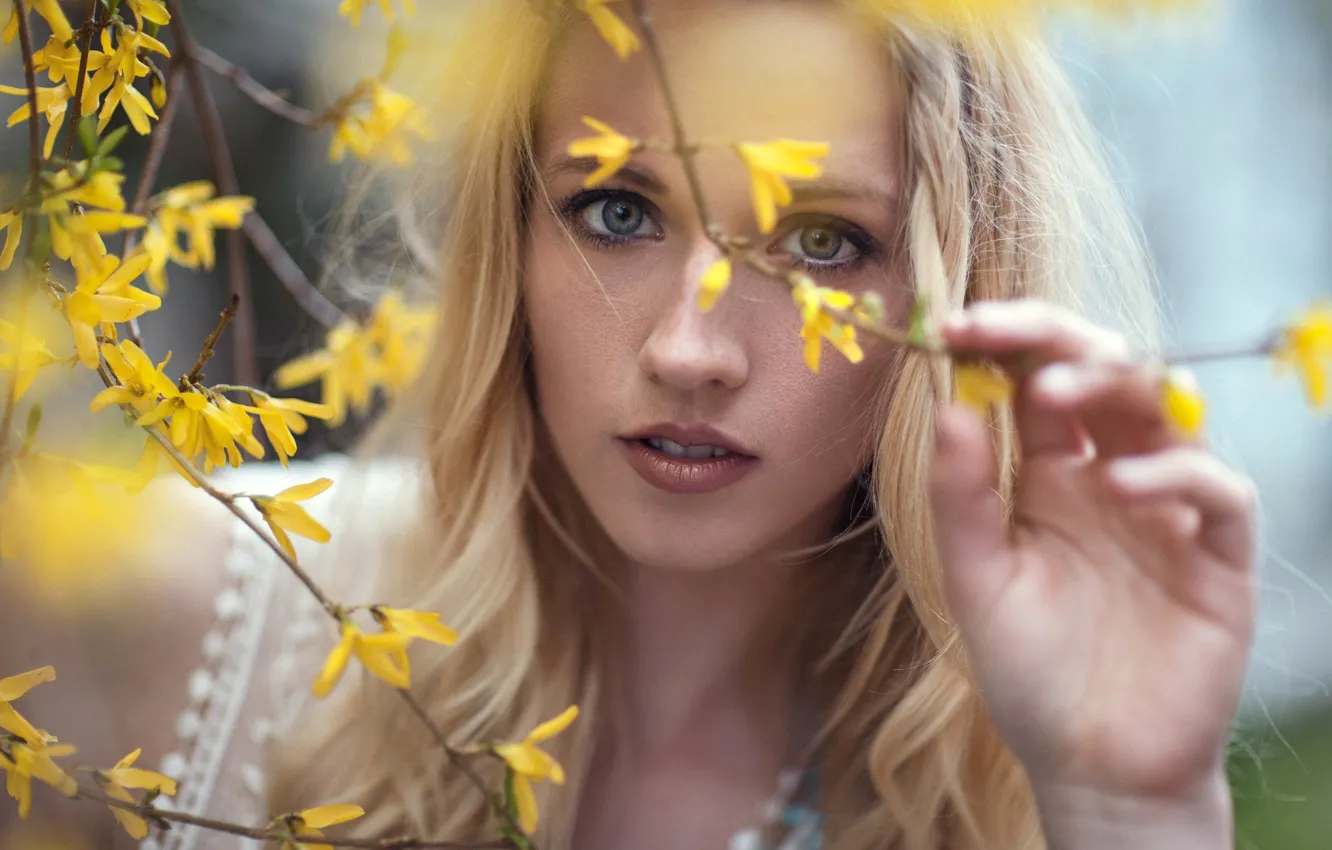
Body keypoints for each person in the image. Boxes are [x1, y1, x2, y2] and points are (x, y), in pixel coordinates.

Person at [121, 1, 1262, 849]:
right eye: (616, 211)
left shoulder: (1017, 787)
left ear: (956, 294)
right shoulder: (181, 619)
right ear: (509, 241)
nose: (688, 350)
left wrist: (1128, 808)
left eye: (821, 241)